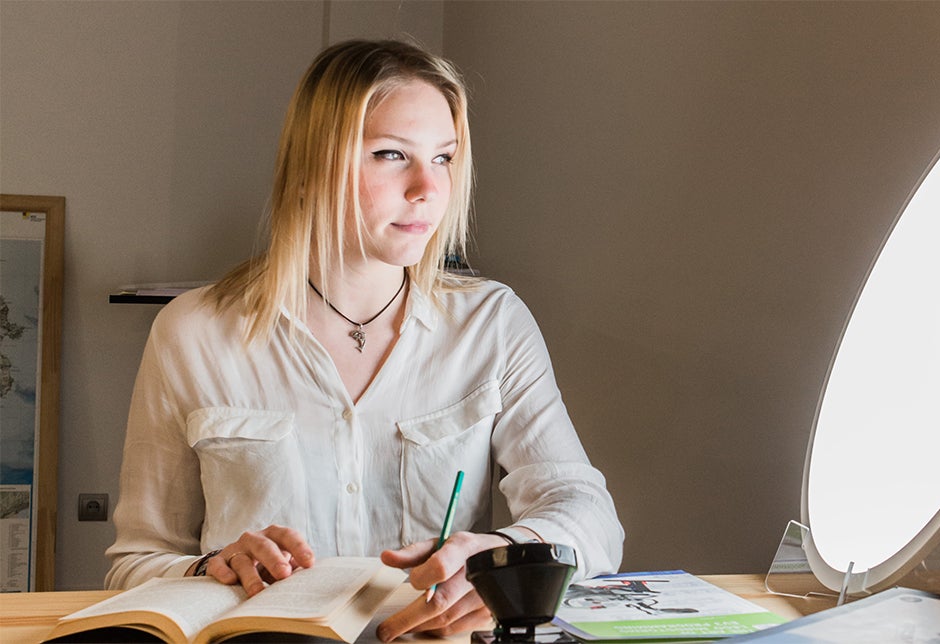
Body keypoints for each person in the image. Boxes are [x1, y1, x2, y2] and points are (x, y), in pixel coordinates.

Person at [105, 39, 624, 641]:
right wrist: (209, 568)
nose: (428, 187)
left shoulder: (491, 322)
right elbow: (135, 563)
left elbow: (590, 517)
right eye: (390, 154)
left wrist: (502, 555)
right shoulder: (191, 332)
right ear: (310, 166)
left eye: (446, 158)